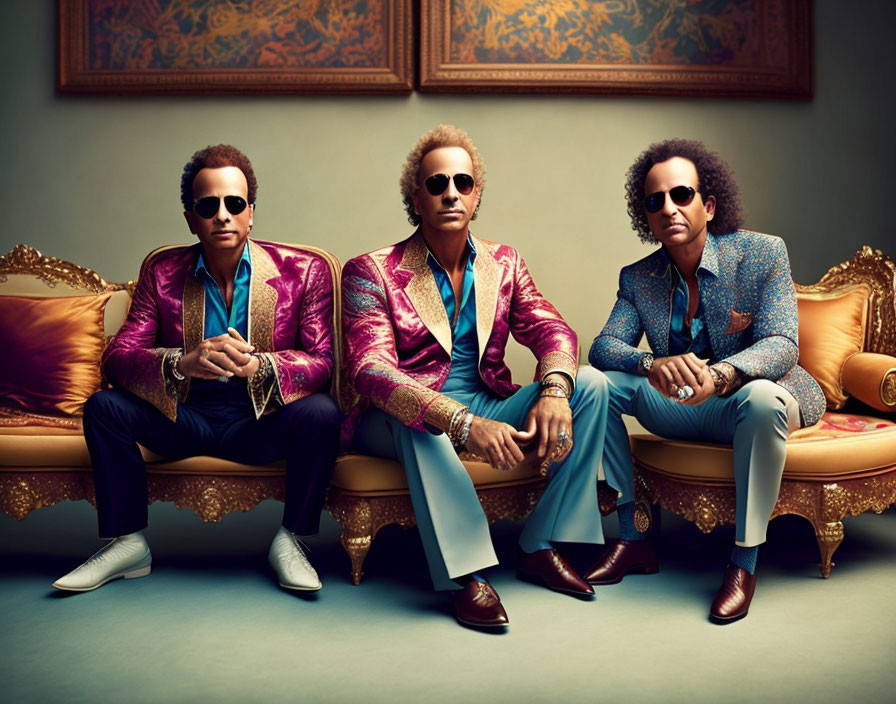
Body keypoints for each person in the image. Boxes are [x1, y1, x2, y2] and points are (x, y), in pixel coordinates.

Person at [341, 124, 610, 630]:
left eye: (462, 184)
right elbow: (371, 371)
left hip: (487, 399)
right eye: (436, 184)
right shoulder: (370, 271)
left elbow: (552, 328)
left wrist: (553, 390)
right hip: (398, 416)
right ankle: (469, 575)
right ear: (415, 199)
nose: (450, 193)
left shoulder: (504, 263)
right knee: (415, 418)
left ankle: (539, 544)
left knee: (591, 385)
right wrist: (460, 423)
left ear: (476, 194)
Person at [54, 144, 343, 594]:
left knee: (323, 412)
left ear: (251, 213)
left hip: (259, 421)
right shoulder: (162, 270)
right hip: (184, 417)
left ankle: (292, 542)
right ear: (191, 217)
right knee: (104, 407)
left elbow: (323, 360)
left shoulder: (303, 272)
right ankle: (128, 543)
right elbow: (118, 358)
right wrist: (181, 363)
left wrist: (259, 366)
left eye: (234, 204)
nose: (222, 215)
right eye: (209, 205)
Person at [587, 138, 825, 623]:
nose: (669, 209)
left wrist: (721, 374)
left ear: (708, 204)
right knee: (596, 383)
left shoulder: (761, 253)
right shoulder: (638, 279)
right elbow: (603, 347)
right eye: (655, 202)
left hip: (751, 402)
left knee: (760, 397)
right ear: (646, 216)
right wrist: (652, 363)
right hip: (683, 406)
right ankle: (633, 538)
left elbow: (783, 343)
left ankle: (743, 562)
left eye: (682, 195)